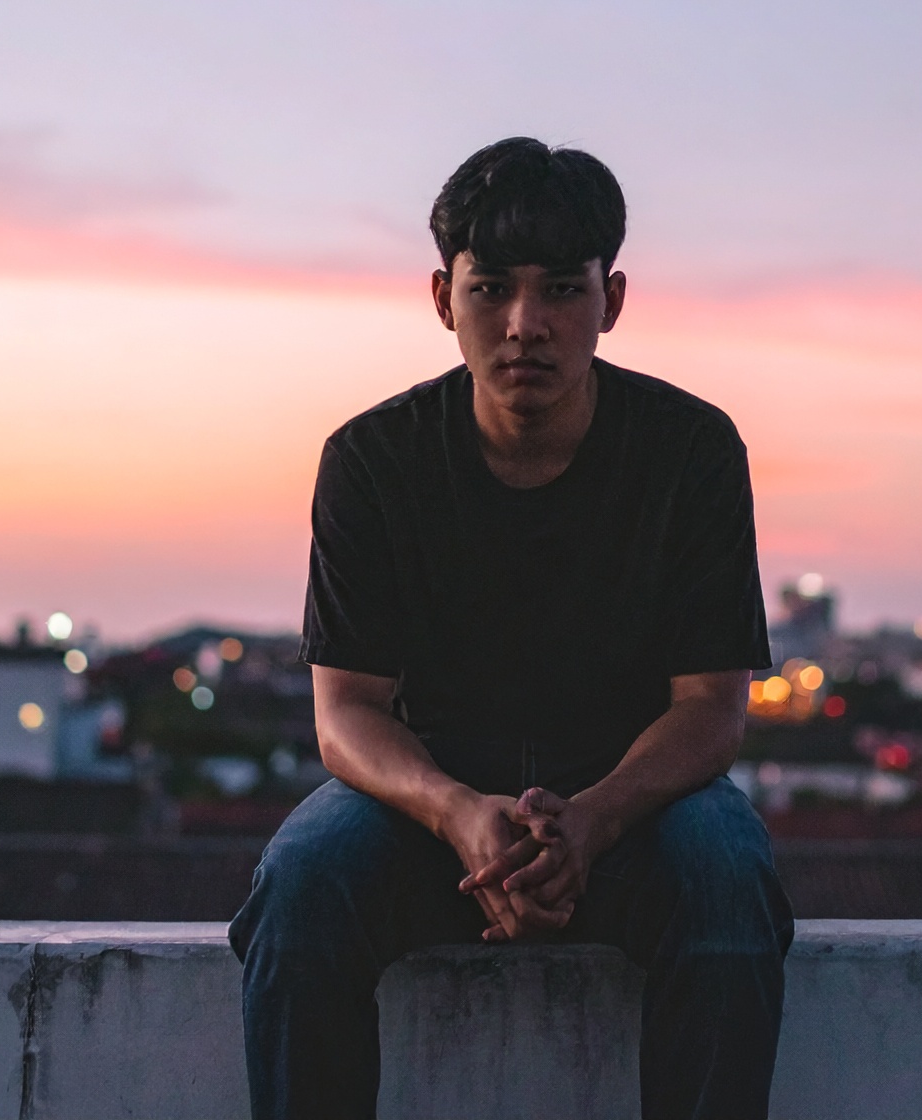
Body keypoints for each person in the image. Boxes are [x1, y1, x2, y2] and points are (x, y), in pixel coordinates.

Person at [229, 137, 794, 1120]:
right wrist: (454, 809)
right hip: (427, 812)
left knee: (730, 892)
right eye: (491, 290)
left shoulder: (691, 450)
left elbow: (711, 710)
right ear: (444, 298)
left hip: (640, 812)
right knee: (300, 889)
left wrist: (598, 817)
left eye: (561, 292)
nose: (525, 326)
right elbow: (345, 713)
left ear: (610, 301)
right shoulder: (373, 460)